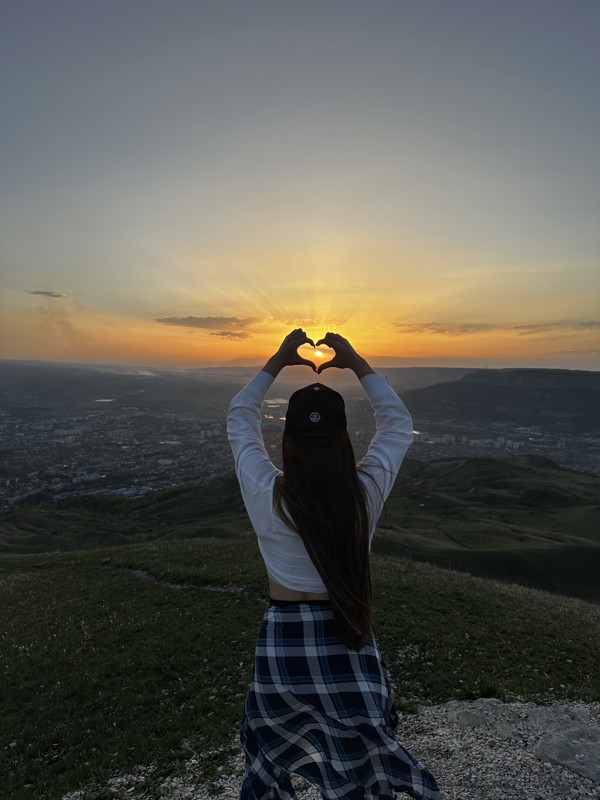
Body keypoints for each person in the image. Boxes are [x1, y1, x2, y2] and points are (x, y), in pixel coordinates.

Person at [227, 329, 443, 800]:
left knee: (269, 749)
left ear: (287, 438)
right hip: (346, 635)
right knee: (366, 754)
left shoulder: (268, 494)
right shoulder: (362, 495)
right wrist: (356, 360)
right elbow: (397, 425)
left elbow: (239, 418)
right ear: (344, 438)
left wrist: (279, 359)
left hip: (282, 645)